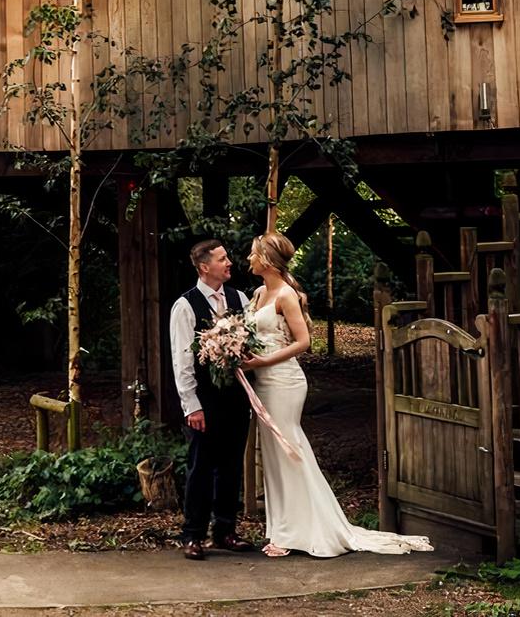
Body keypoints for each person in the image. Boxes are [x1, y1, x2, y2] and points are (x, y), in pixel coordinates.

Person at [241, 231, 433, 558]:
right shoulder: (259, 293)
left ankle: (303, 531)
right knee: (273, 455)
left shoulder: (286, 295)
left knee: (289, 448)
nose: (248, 258)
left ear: (268, 260)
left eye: (253, 253)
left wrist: (262, 361)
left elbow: (303, 343)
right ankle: (282, 528)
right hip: (261, 380)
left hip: (284, 381)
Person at [168, 238, 257, 560]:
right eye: (222, 259)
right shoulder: (185, 305)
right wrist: (192, 405)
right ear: (205, 267)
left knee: (232, 465)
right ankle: (192, 534)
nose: (229, 262)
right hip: (205, 399)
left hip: (235, 396)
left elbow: (251, 344)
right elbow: (182, 361)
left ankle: (225, 531)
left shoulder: (240, 298)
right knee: (201, 467)